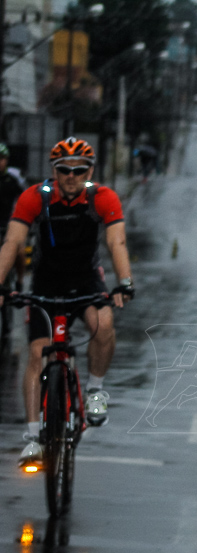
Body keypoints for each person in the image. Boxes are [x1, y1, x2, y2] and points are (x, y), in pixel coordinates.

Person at [0, 137, 134, 468]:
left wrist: (125, 283)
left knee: (103, 325)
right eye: (64, 170)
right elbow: (13, 242)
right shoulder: (35, 197)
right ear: (54, 171)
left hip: (86, 279)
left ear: (90, 170)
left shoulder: (103, 197)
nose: (71, 176)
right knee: (37, 354)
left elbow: (116, 241)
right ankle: (33, 438)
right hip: (47, 281)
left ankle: (95, 391)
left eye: (79, 170)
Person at [0, 143, 26, 293]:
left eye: (2, 159)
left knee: (20, 251)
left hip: (10, 223)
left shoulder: (14, 179)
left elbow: (25, 199)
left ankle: (20, 280)